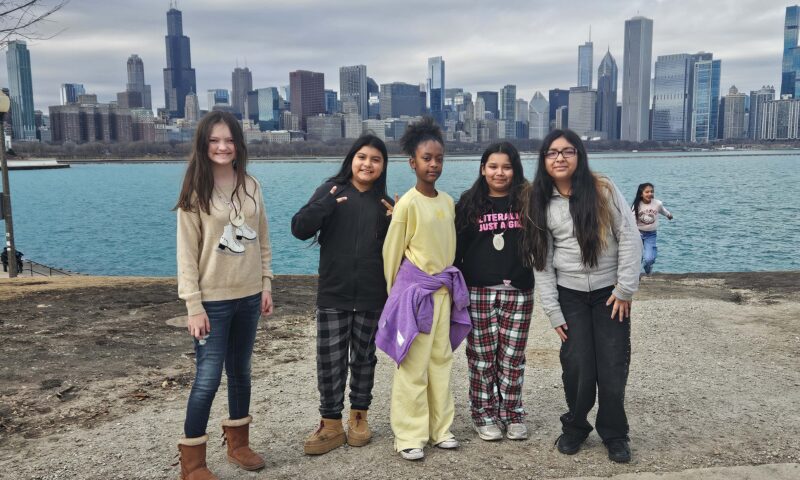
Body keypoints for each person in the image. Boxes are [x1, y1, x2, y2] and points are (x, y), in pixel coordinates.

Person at [523, 129, 641, 463]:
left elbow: (629, 236)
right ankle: (575, 426)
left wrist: (624, 288)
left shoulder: (602, 189)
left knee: (613, 366)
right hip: (570, 295)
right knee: (576, 366)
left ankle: (614, 433)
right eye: (552, 153)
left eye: (567, 151)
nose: (560, 158)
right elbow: (541, 262)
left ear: (579, 156)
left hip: (609, 294)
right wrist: (553, 311)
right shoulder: (539, 200)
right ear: (544, 161)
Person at [174, 111, 273, 479]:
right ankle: (193, 463)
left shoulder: (251, 185)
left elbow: (262, 238)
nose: (222, 146)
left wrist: (266, 283)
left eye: (229, 140)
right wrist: (193, 305)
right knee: (207, 377)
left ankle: (238, 444)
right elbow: (186, 254)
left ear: (238, 144)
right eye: (215, 140)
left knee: (241, 372)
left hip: (249, 296)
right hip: (211, 300)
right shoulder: (194, 192)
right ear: (204, 144)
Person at [291, 134, 395, 455]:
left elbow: (401, 251)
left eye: (375, 160)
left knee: (363, 359)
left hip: (371, 295)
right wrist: (323, 207)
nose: (367, 164)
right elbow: (299, 228)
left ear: (382, 167)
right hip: (333, 293)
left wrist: (399, 222)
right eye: (362, 157)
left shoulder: (385, 204)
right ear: (352, 159)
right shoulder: (331, 191)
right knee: (330, 360)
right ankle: (331, 423)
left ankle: (359, 417)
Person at [376, 116, 471, 461]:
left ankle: (440, 429)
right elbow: (392, 255)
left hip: (444, 293)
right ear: (412, 163)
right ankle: (409, 435)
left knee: (441, 362)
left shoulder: (446, 201)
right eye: (426, 159)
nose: (433, 164)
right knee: (413, 367)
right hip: (415, 296)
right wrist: (396, 298)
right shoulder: (407, 204)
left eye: (439, 158)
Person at [454, 142, 534, 442]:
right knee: (482, 357)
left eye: (507, 167)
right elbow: (456, 250)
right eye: (493, 166)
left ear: (515, 170)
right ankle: (483, 412)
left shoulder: (528, 201)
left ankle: (512, 413)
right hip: (478, 291)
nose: (500, 172)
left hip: (519, 291)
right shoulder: (468, 204)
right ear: (483, 169)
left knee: (513, 357)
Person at [632, 182, 673, 275]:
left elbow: (663, 210)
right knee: (636, 258)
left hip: (651, 234)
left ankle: (648, 268)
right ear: (641, 194)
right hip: (638, 234)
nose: (650, 194)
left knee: (649, 259)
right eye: (647, 192)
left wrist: (668, 215)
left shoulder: (657, 204)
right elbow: (630, 220)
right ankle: (636, 275)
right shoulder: (636, 206)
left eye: (652, 191)